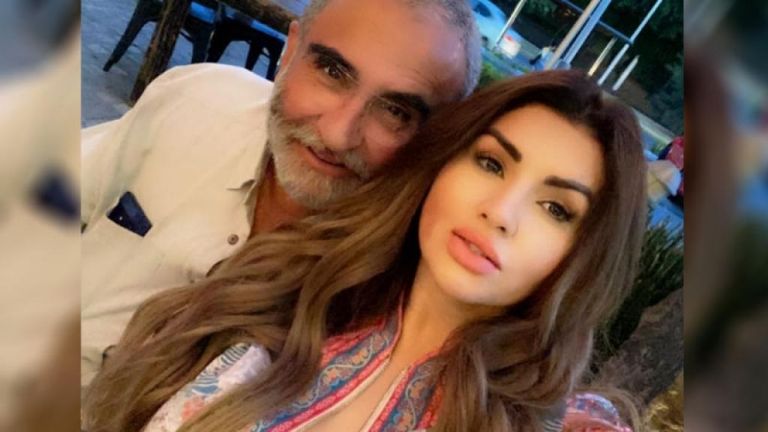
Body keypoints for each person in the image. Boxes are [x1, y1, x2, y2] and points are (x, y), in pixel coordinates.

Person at [83, 70, 647, 432]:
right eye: (491, 163)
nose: (500, 212)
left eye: (556, 209)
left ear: (585, 255)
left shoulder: (526, 421)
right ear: (441, 164)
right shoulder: (284, 289)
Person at [80, 0, 482, 386]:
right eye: (332, 71)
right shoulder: (194, 99)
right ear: (289, 52)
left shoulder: (381, 305)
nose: (337, 135)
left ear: (434, 139)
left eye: (395, 111)